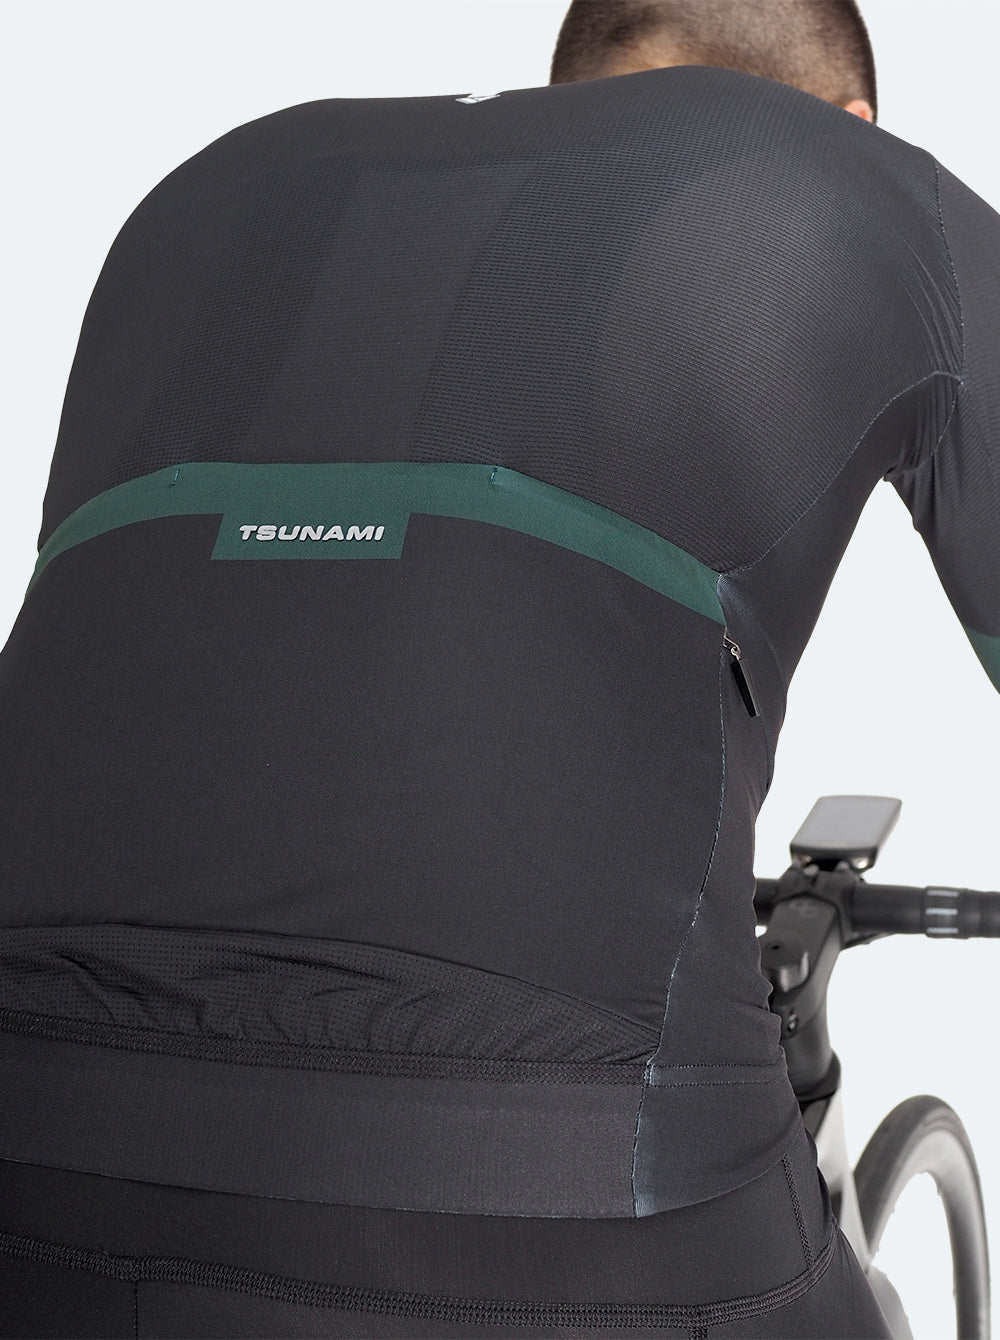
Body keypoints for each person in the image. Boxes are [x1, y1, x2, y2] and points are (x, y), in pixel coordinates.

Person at [0, 0, 996, 1334]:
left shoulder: (209, 184)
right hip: (582, 1195)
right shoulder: (874, 188)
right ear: (852, 127)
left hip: (40, 1143)